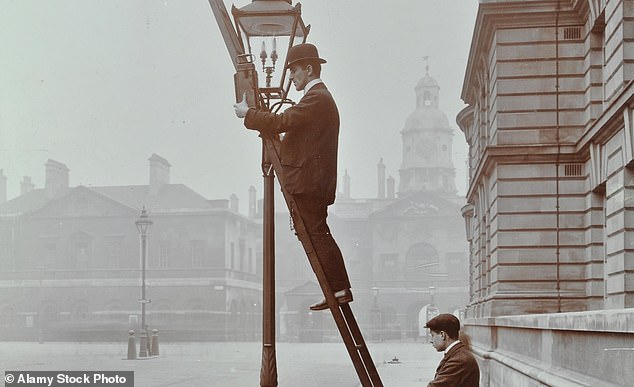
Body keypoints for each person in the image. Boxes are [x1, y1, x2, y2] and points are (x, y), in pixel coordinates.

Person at [233, 43, 352, 311]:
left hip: (309, 182)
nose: (292, 77)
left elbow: (283, 121)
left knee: (317, 234)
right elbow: (300, 134)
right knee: (316, 233)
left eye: (295, 70)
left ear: (309, 69)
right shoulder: (319, 99)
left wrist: (248, 114)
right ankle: (336, 288)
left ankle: (339, 288)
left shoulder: (317, 98)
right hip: (312, 181)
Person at [425, 313, 480, 386]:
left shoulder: (459, 360)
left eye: (432, 336)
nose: (431, 340)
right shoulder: (457, 353)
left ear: (442, 335)